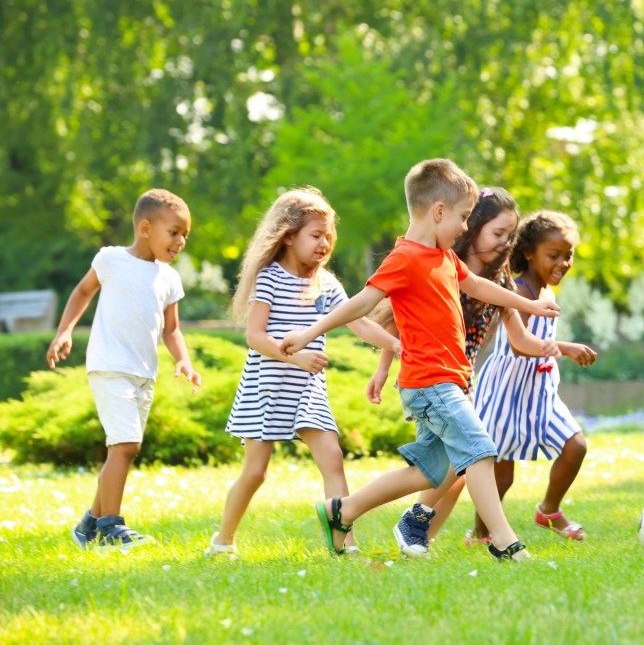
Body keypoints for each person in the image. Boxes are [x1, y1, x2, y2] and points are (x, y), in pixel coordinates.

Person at [280, 159, 559, 562]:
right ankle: (503, 540)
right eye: (463, 217)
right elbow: (362, 303)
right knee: (479, 449)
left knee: (430, 473)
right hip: (430, 383)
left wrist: (525, 302)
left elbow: (479, 285)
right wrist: (308, 333)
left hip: (448, 380)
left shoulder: (444, 257)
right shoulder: (406, 257)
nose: (466, 227)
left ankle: (343, 510)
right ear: (438, 211)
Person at [366, 187, 566, 556]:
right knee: (465, 460)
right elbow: (397, 320)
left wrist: (559, 346)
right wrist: (381, 369)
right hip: (429, 377)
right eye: (498, 233)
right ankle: (439, 533)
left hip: (460, 378)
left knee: (449, 470)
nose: (506, 243)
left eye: (511, 234)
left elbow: (519, 339)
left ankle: (411, 536)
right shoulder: (438, 264)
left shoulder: (500, 280)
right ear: (472, 227)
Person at [204, 188, 401, 558]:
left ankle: (345, 545)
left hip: (307, 390)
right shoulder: (270, 278)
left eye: (328, 236)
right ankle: (223, 540)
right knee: (256, 472)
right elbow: (255, 336)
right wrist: (296, 358)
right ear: (289, 236)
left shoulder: (326, 284)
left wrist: (397, 346)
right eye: (315, 235)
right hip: (267, 387)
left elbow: (359, 323)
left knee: (332, 458)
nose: (324, 243)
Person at [46, 189, 202, 550]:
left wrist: (184, 359)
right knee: (125, 445)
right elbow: (83, 292)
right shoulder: (111, 260)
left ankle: (88, 525)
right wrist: (64, 330)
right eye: (174, 232)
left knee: (125, 446)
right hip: (109, 366)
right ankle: (110, 527)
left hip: (143, 372)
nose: (180, 241)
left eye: (184, 236)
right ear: (145, 228)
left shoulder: (169, 279)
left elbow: (171, 329)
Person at [471, 210, 597, 543]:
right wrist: (565, 347)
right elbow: (518, 346)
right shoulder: (521, 291)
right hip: (505, 390)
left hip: (539, 392)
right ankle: (481, 533)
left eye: (568, 256)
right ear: (529, 252)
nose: (563, 263)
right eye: (553, 255)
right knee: (502, 475)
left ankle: (549, 510)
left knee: (575, 446)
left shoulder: (546, 294)